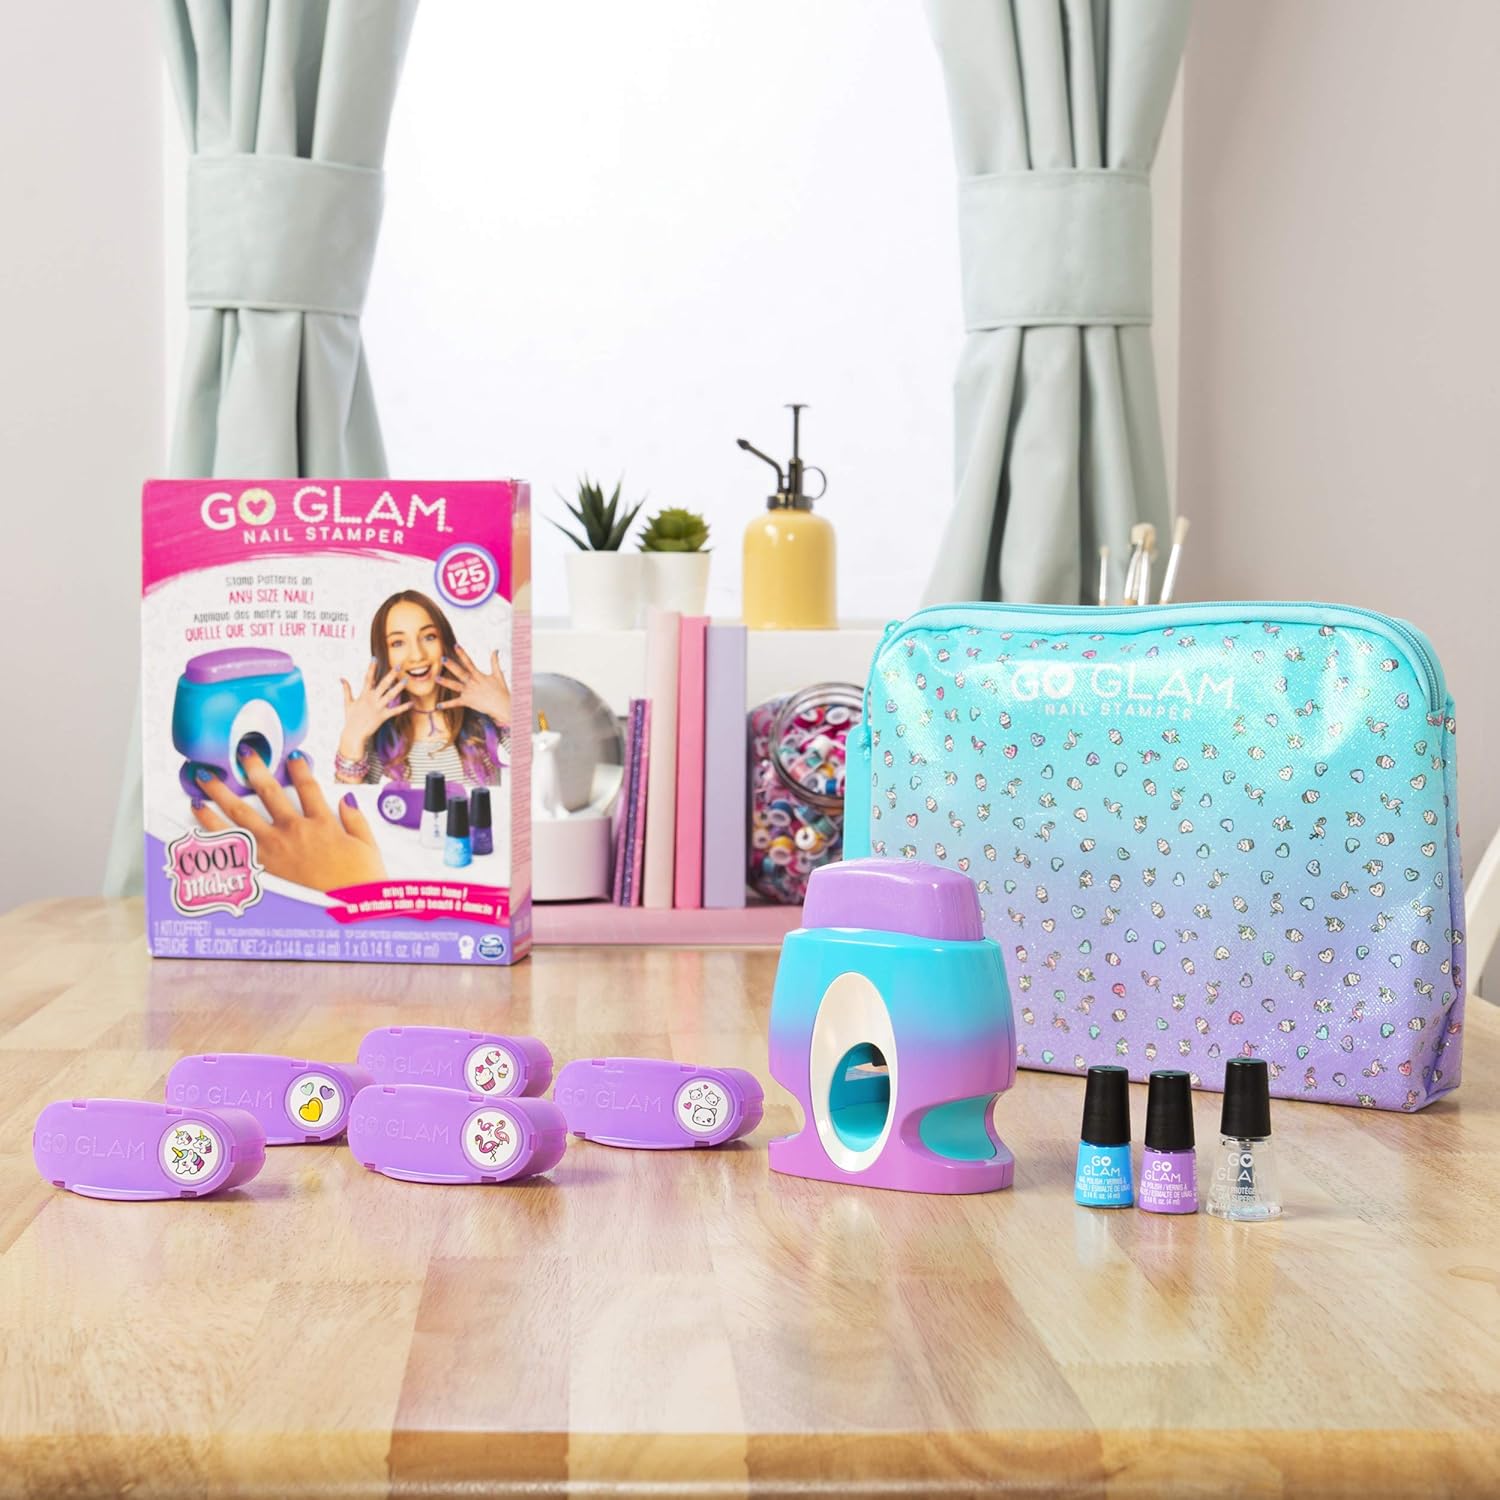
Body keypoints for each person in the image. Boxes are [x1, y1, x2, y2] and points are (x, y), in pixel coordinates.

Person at [334, 589, 511, 788]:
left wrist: (508, 711)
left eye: (429, 637)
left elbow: (537, 767)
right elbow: (347, 804)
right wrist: (351, 739)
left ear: (444, 642)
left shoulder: (481, 715)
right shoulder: (377, 731)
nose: (417, 655)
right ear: (384, 655)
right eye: (398, 643)